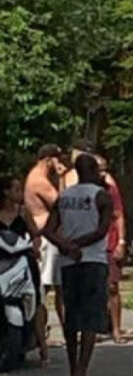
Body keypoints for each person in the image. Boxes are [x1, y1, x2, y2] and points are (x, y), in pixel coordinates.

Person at [42, 154, 113, 376]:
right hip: (92, 260)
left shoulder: (64, 197)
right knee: (91, 317)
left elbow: (48, 230)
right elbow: (102, 231)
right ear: (91, 170)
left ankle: (73, 368)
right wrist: (78, 245)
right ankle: (82, 370)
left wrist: (66, 246)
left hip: (68, 262)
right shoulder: (101, 196)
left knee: (72, 316)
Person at [0, 175, 47, 365]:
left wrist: (35, 246)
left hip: (22, 259)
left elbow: (35, 234)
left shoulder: (23, 212)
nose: (20, 193)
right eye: (16, 189)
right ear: (6, 192)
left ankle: (43, 346)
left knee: (35, 298)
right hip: (2, 261)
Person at [24, 144, 65, 341]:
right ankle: (37, 335)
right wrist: (62, 178)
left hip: (48, 238)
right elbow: (61, 203)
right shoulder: (39, 180)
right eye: (57, 159)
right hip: (46, 240)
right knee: (44, 290)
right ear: (49, 160)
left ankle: (64, 331)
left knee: (56, 288)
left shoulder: (37, 177)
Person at [96, 154, 128, 344]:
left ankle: (116, 329)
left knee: (112, 286)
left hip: (110, 242)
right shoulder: (84, 191)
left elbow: (119, 215)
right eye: (99, 170)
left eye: (105, 169)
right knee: (93, 288)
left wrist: (121, 241)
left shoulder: (110, 189)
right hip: (91, 244)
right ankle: (95, 328)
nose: (103, 174)